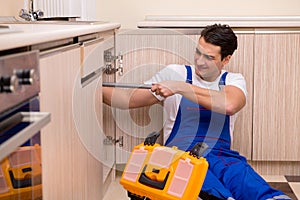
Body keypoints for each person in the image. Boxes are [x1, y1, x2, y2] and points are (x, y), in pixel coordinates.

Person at [103, 24, 290, 200]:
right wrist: (88, 88)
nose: (200, 62)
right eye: (198, 53)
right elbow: (127, 99)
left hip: (223, 157)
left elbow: (230, 104)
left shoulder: (233, 80)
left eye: (209, 57)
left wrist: (180, 88)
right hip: (180, 157)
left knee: (251, 185)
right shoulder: (175, 73)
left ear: (226, 59)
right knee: (211, 190)